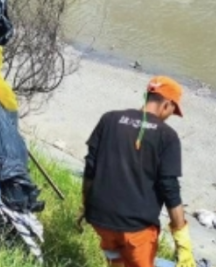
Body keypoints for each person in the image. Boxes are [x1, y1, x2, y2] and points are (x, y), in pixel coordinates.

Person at [79, 76, 197, 267]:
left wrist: (86, 205)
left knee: (116, 260)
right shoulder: (167, 136)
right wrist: (182, 241)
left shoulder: (109, 119)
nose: (169, 116)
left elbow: (90, 168)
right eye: (172, 111)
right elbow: (169, 188)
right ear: (167, 105)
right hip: (136, 228)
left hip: (100, 220)